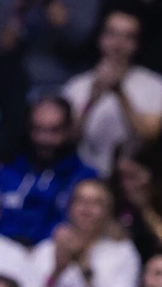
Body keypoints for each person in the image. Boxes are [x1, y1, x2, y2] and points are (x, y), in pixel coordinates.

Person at [27, 179, 142, 287]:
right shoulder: (46, 250)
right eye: (80, 201)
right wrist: (56, 272)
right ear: (70, 207)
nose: (86, 209)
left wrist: (86, 270)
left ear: (107, 211)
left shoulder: (122, 252)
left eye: (96, 203)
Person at [63, 10, 162, 177]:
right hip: (85, 176)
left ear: (137, 45)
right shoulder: (76, 86)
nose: (118, 44)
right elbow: (66, 138)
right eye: (112, 34)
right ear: (100, 39)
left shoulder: (156, 85)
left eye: (128, 37)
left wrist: (120, 93)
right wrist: (91, 101)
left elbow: (150, 136)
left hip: (131, 177)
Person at [0, 96, 96, 246]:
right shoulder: (8, 173)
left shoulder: (85, 180)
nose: (44, 139)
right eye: (37, 129)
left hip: (57, 253)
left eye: (54, 131)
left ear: (69, 130)